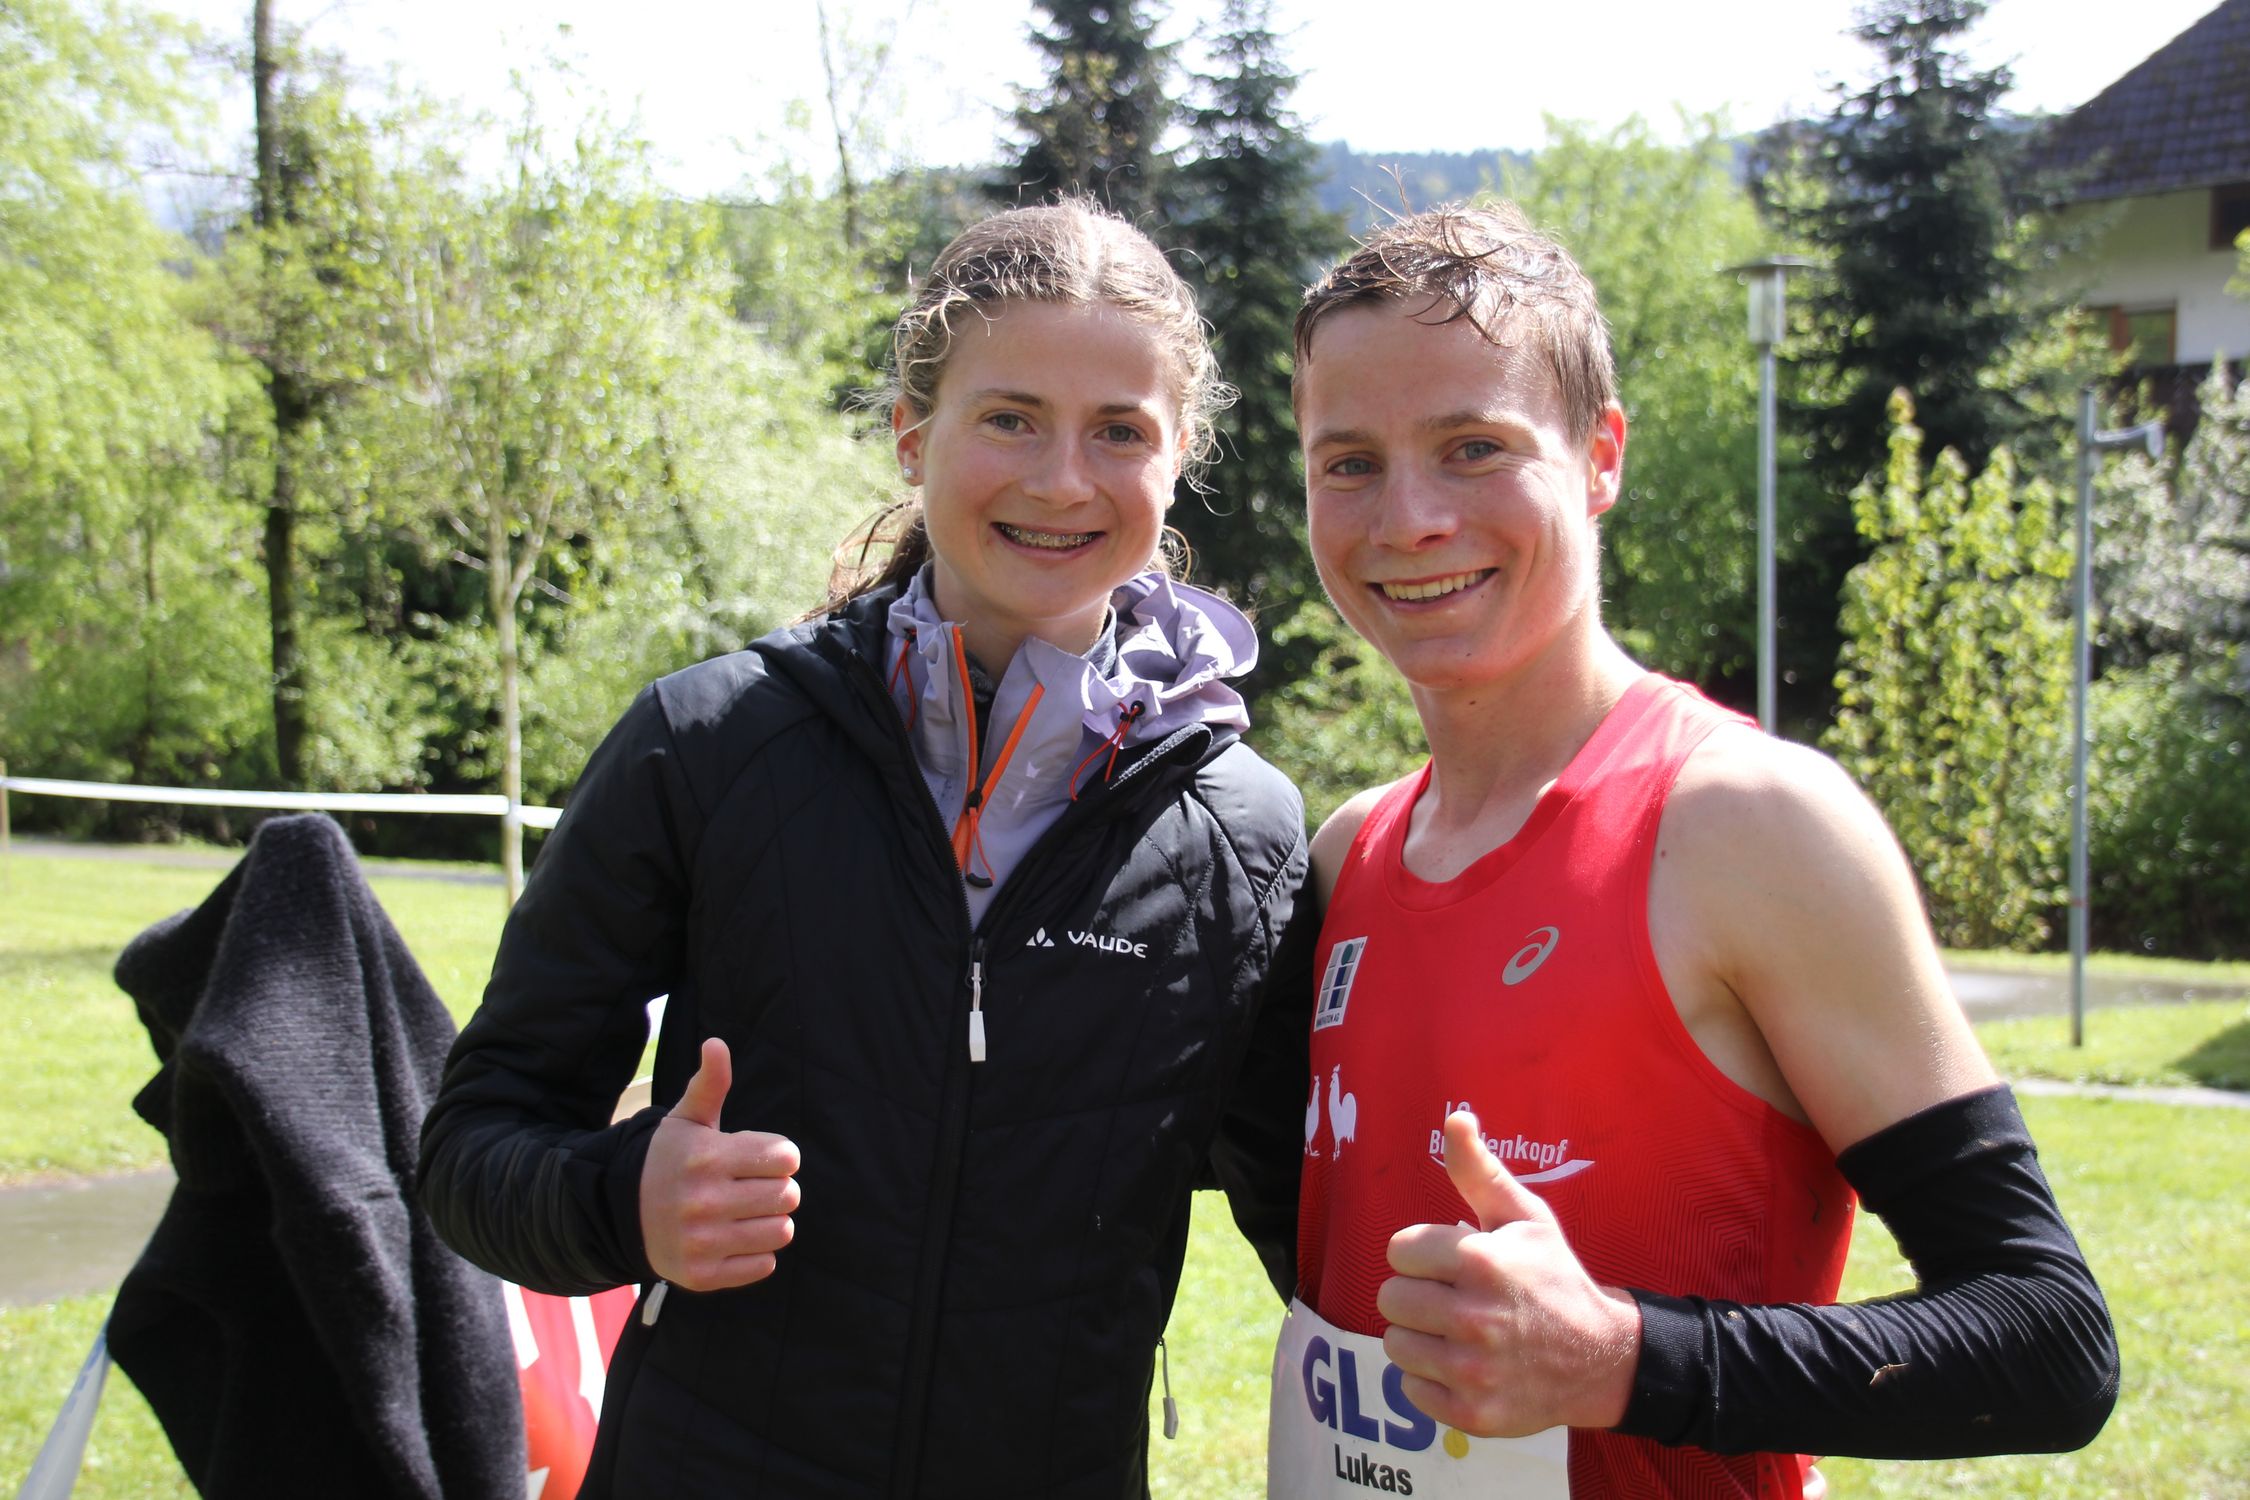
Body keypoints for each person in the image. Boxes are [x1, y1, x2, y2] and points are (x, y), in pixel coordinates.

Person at [419, 199, 1312, 1499]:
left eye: (1119, 431)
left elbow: (1323, 1234)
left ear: (1177, 460)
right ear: (911, 433)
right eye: (1009, 418)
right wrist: (626, 1198)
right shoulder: (711, 745)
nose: (1063, 479)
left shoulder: (1243, 834)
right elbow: (470, 1149)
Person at [1269, 201, 2118, 1498]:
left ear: (1599, 455)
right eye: (1348, 463)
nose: (1409, 516)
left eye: (1474, 447)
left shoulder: (1747, 825)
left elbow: (2047, 1338)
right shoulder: (1347, 856)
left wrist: (1622, 1359)